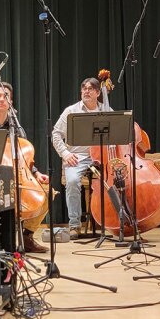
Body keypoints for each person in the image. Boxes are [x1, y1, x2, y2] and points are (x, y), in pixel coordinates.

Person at [0, 82, 50, 253]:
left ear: (11, 103)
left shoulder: (18, 129)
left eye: (5, 96)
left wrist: (36, 173)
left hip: (17, 177)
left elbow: (24, 159)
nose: (1, 99)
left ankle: (27, 237)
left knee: (47, 191)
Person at [51, 77, 110, 242]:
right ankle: (74, 224)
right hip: (77, 157)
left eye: (90, 88)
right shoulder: (71, 111)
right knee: (72, 181)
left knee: (118, 178)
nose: (86, 91)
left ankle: (115, 221)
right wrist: (65, 154)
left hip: (101, 156)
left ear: (98, 93)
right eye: (84, 88)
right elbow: (56, 134)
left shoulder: (106, 109)